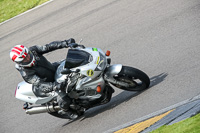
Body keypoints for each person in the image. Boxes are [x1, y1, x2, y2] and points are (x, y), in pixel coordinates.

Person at [10, 38, 78, 120]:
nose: (28, 58)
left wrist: (65, 43)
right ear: (20, 62)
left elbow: (48, 47)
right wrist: (54, 86)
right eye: (25, 59)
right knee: (63, 98)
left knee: (73, 61)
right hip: (47, 85)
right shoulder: (26, 73)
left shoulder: (33, 50)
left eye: (28, 55)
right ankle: (67, 110)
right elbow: (40, 84)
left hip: (52, 69)